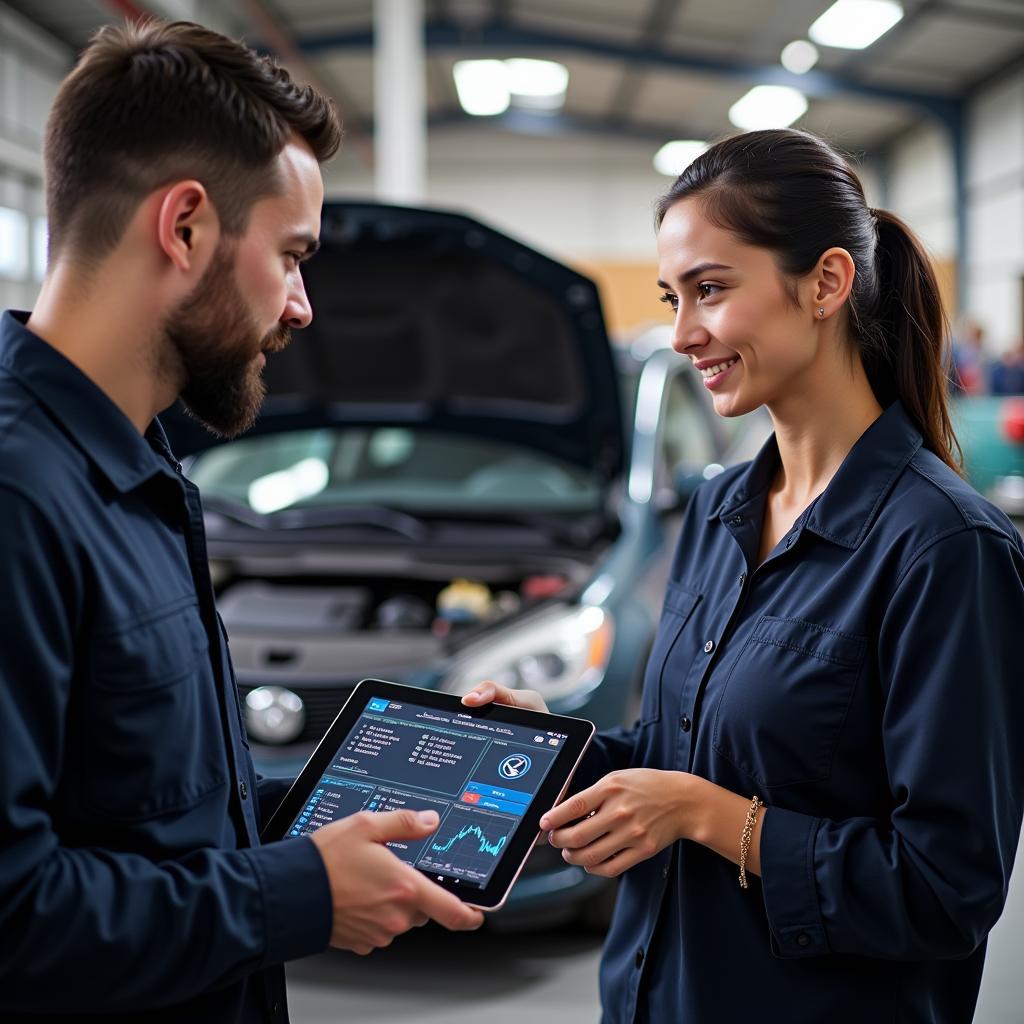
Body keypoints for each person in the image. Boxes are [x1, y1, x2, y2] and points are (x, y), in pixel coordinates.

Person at [464, 129, 1024, 1023]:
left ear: (827, 284)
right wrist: (560, 749)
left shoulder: (944, 550)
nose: (683, 333)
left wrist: (708, 816)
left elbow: (944, 888)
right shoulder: (720, 509)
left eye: (711, 291)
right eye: (672, 298)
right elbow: (680, 752)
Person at [0, 20, 481, 1024]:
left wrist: (347, 812)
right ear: (184, 227)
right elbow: (15, 914)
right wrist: (301, 893)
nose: (303, 306)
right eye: (293, 255)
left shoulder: (139, 471)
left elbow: (138, 809)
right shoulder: (20, 497)